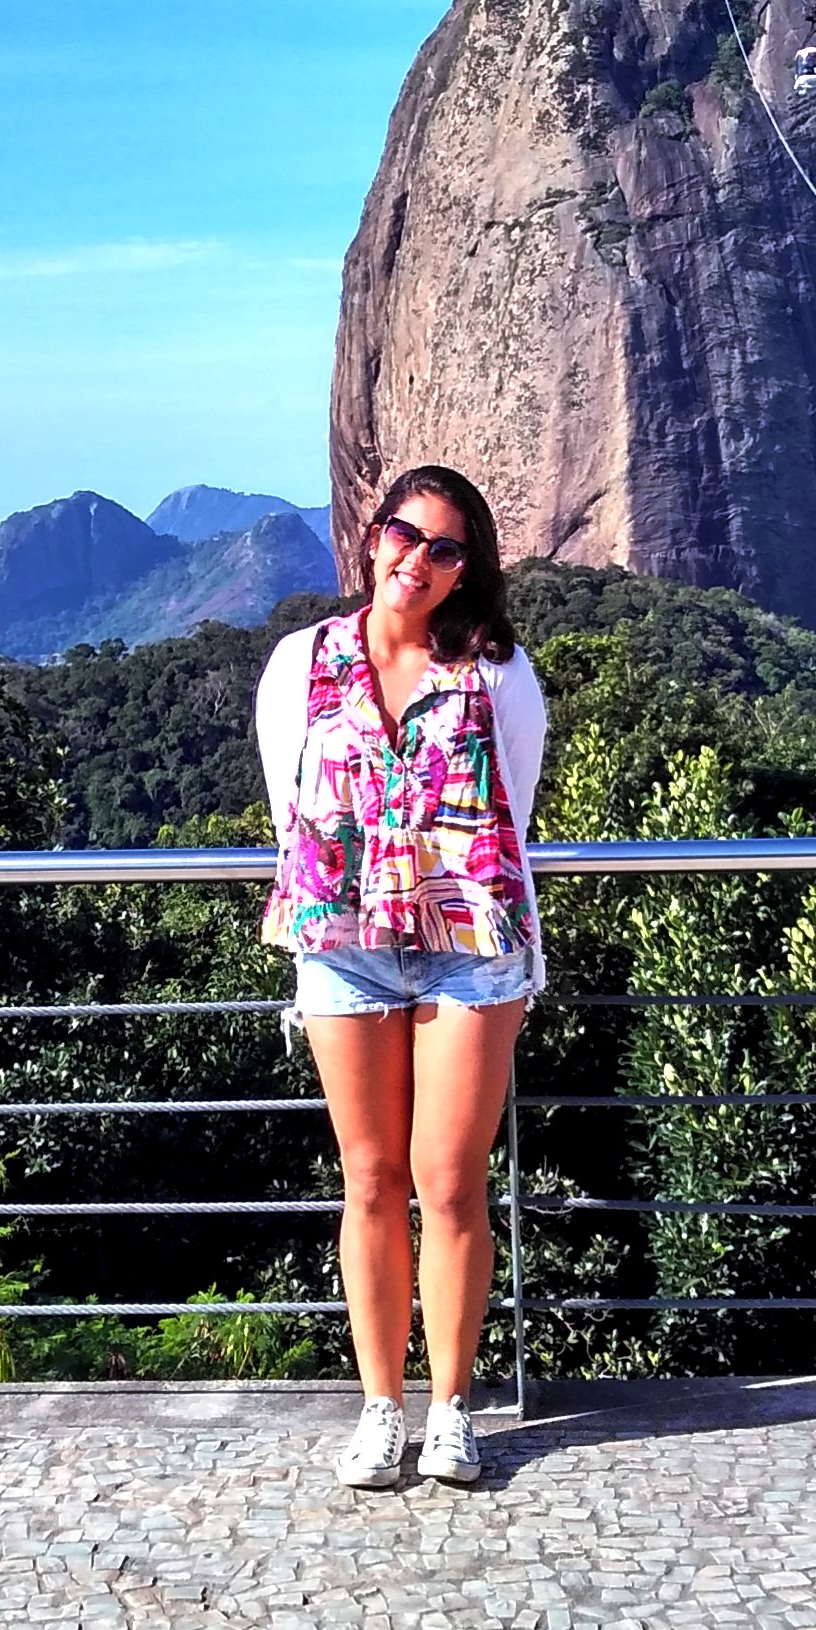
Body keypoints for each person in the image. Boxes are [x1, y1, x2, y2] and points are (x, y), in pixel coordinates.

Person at [254, 463, 545, 1489]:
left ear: (468, 569)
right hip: (343, 941)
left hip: (470, 943)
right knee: (371, 1178)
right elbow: (289, 800)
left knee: (450, 1181)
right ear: (370, 537)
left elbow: (515, 800)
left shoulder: (500, 669)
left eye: (445, 546)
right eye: (403, 534)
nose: (417, 559)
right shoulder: (301, 661)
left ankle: (454, 1406)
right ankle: (383, 1407)